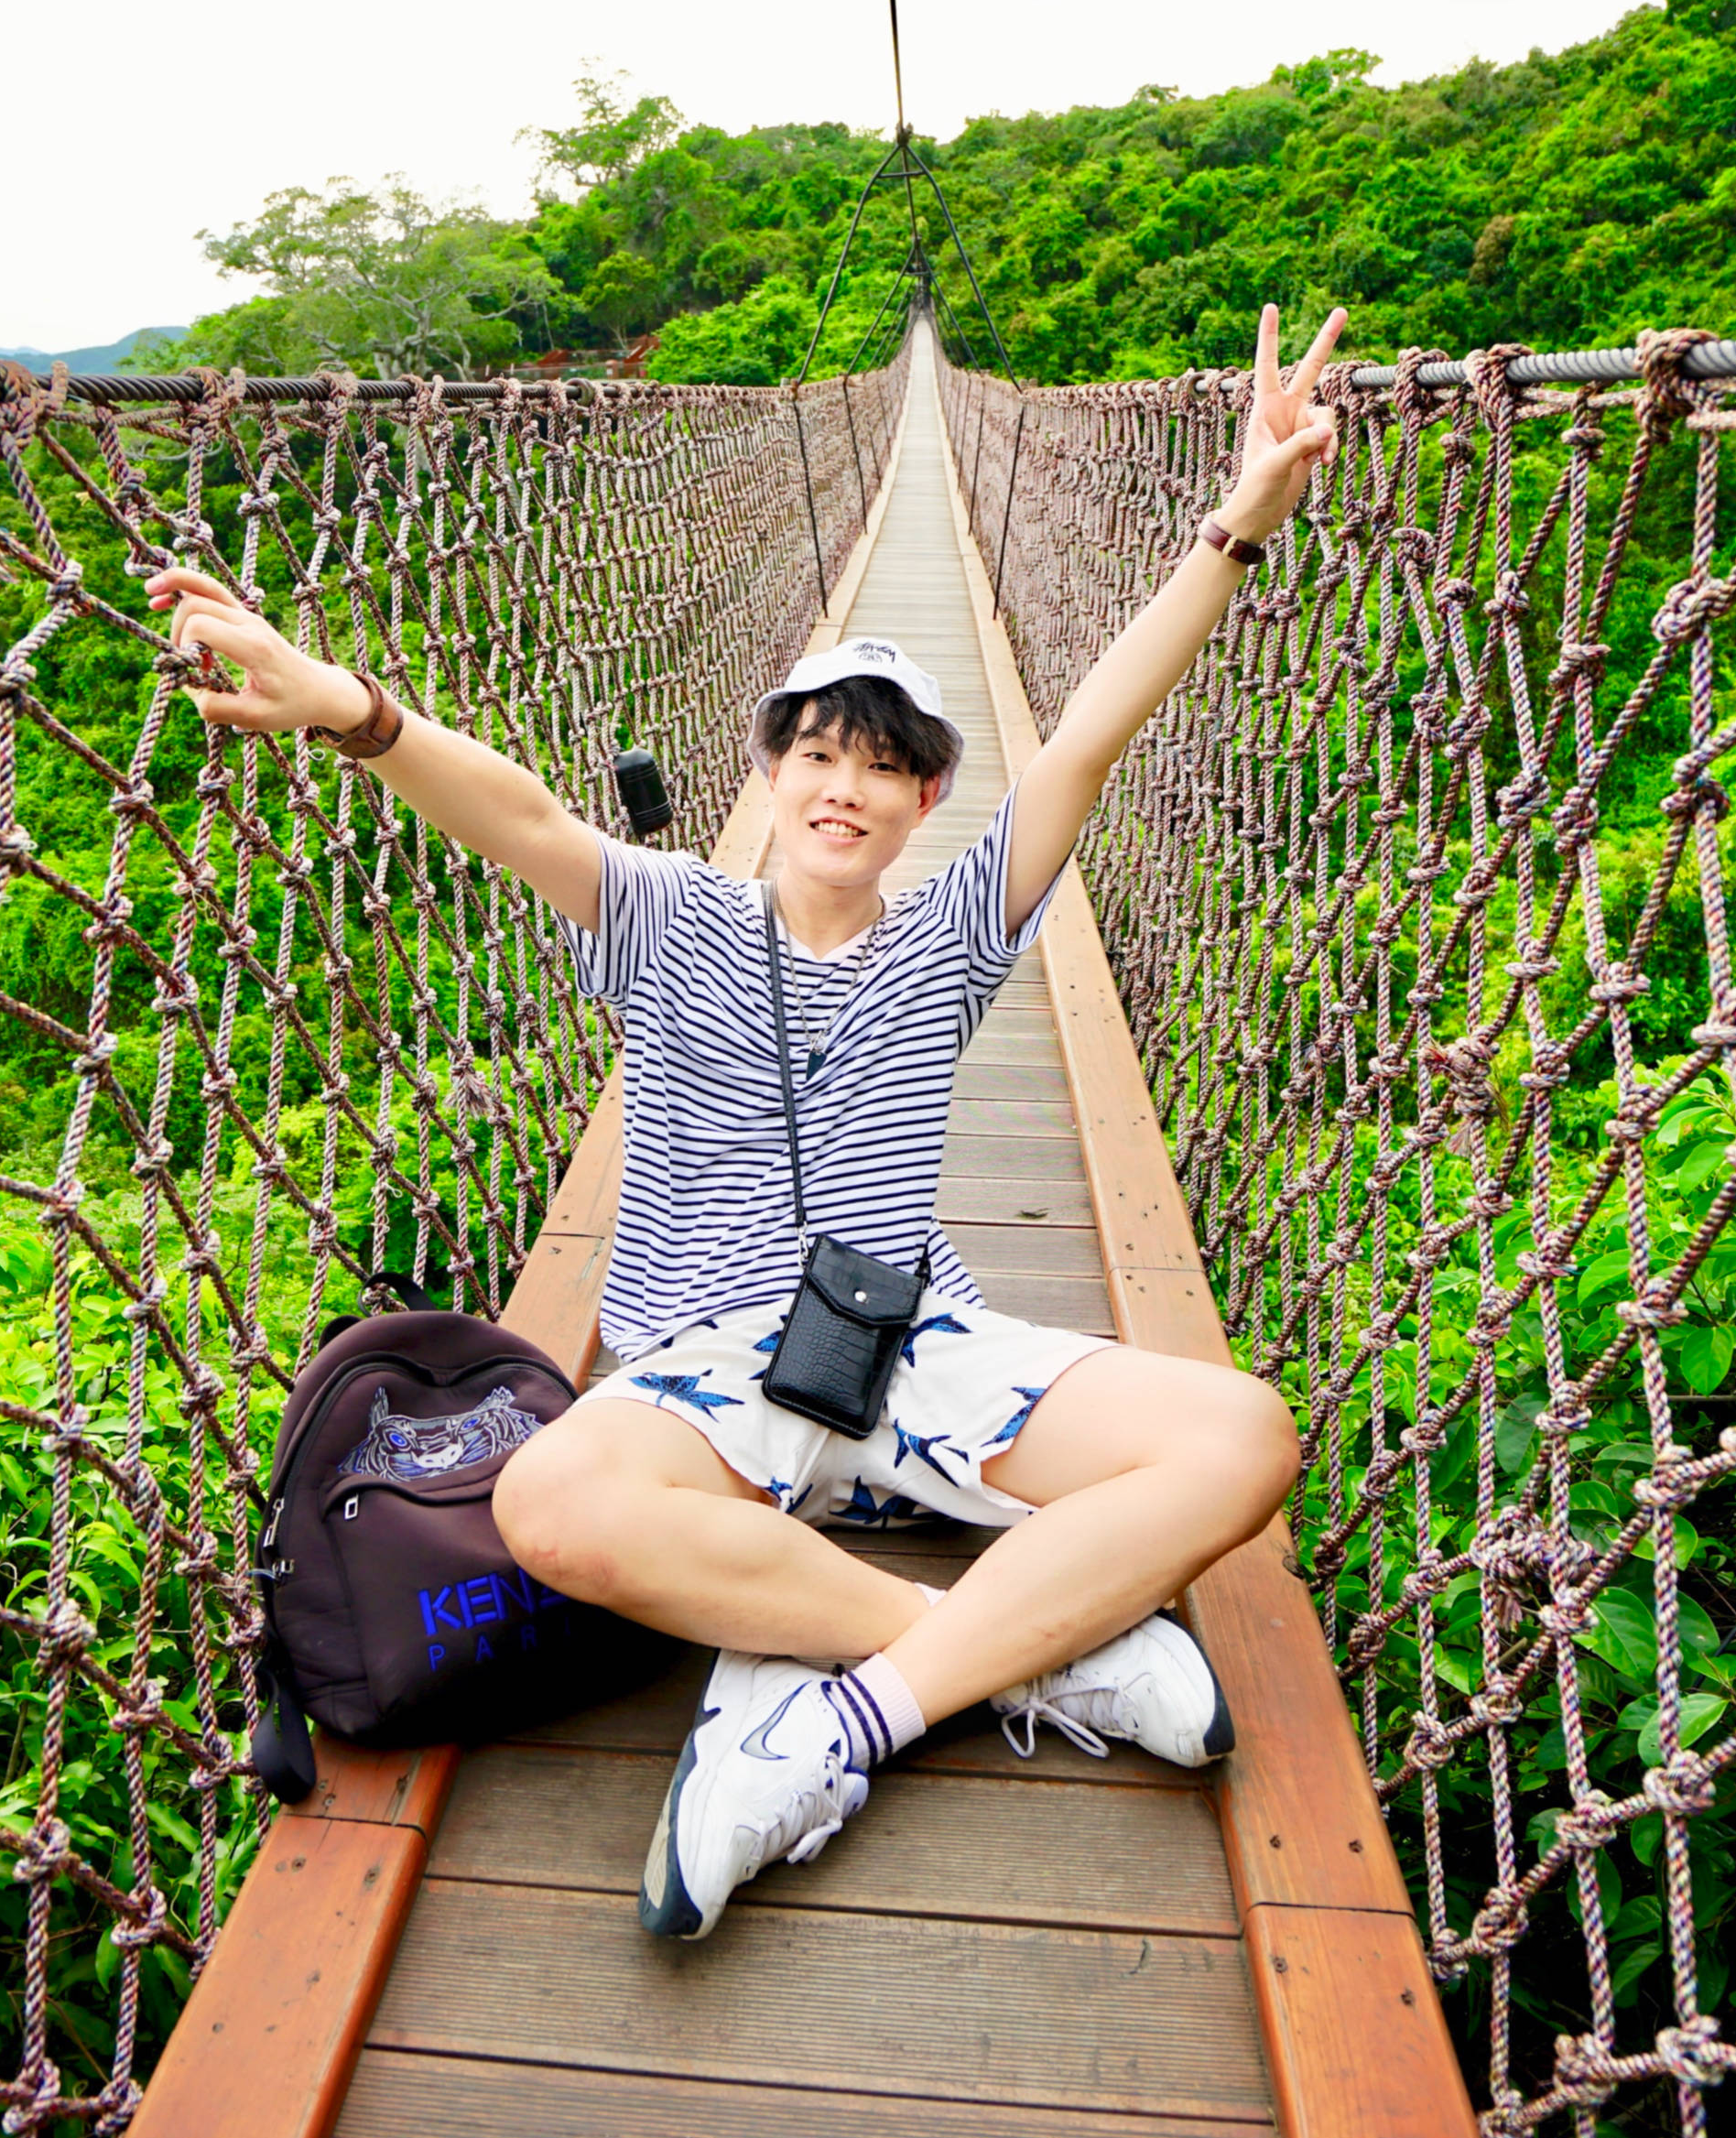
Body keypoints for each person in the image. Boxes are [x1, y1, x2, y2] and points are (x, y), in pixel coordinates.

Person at [147, 305, 1351, 1938]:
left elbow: (1082, 743)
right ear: (769, 772)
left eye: (881, 763)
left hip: (906, 1337)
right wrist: (357, 711)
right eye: (813, 752)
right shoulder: (667, 917)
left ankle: (850, 1719)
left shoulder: (953, 936)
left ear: (928, 798)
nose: (842, 785)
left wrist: (1232, 531)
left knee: (1245, 1437)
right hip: (704, 1365)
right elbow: (518, 810)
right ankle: (1052, 1648)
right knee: (554, 1503)